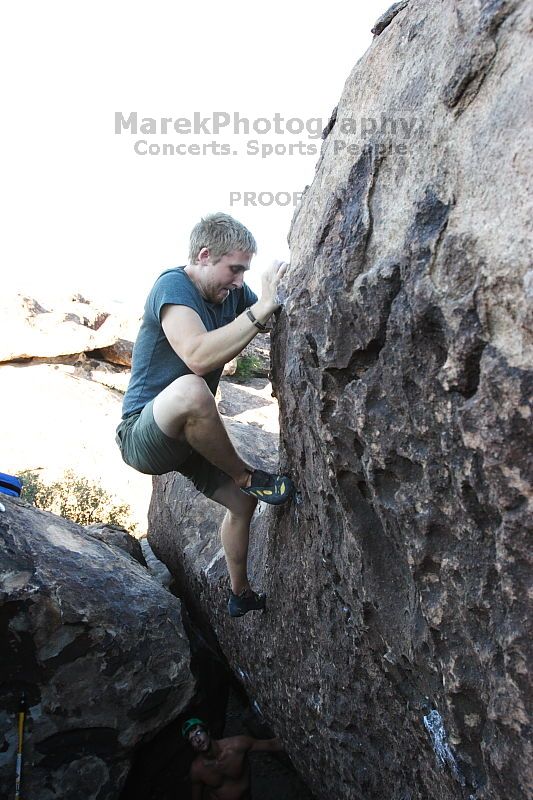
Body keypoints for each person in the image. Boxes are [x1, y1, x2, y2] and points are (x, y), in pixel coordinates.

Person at [115, 213, 295, 617]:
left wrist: (280, 289)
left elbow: (266, 317)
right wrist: (260, 309)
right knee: (193, 389)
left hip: (187, 442)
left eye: (244, 271)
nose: (238, 281)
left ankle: (240, 594)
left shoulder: (229, 293)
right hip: (145, 434)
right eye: (234, 269)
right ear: (204, 255)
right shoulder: (173, 285)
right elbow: (197, 356)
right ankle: (247, 475)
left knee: (243, 505)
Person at [182, 717, 282, 800]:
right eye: (192, 739)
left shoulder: (237, 746)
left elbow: (272, 744)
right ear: (192, 746)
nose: (197, 740)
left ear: (208, 732)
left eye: (198, 733)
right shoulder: (197, 770)